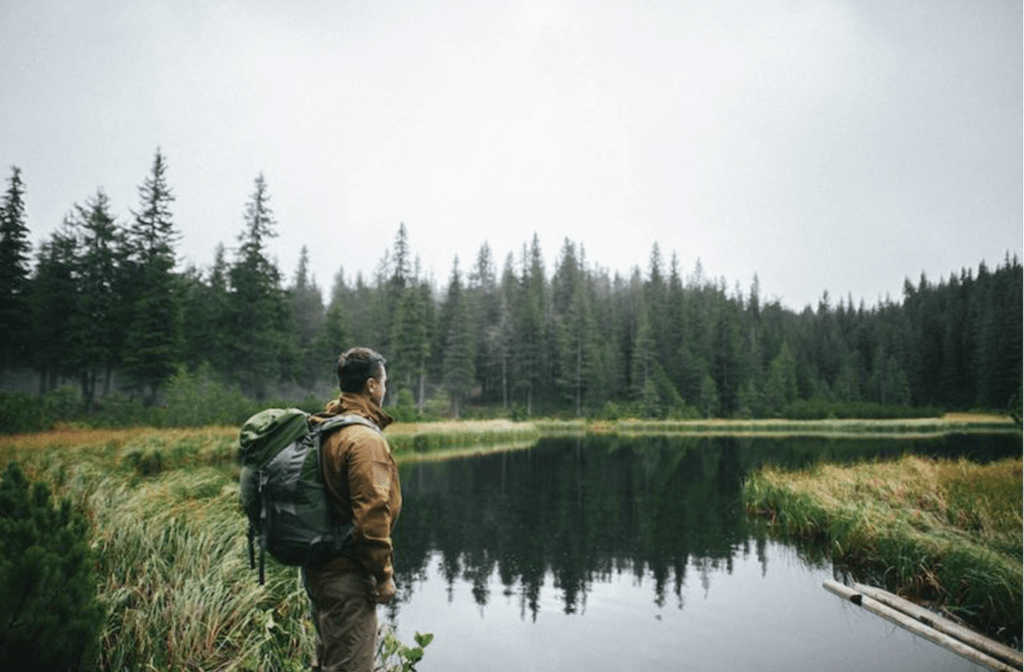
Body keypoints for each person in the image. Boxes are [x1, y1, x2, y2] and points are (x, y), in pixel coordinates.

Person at [303, 346, 402, 672]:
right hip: (347, 573)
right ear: (372, 386)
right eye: (384, 382)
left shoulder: (327, 425)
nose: (385, 389)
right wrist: (383, 576)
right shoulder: (364, 440)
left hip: (321, 568)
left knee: (329, 660)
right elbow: (371, 516)